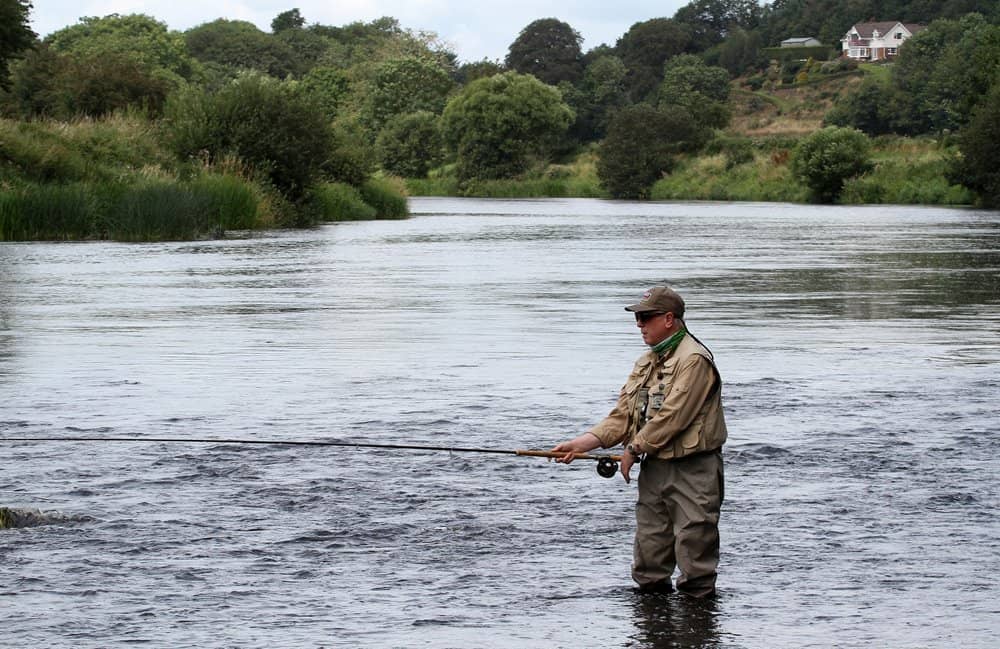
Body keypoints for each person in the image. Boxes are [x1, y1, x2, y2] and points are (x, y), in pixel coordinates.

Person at [552, 285, 727, 597]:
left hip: (694, 470)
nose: (639, 324)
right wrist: (582, 443)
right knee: (649, 554)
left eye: (646, 317)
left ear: (670, 319)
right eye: (638, 318)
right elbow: (622, 417)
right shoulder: (646, 362)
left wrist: (634, 449)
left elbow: (674, 416)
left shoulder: (695, 360)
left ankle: (697, 633)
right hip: (654, 470)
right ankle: (651, 628)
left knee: (694, 550)